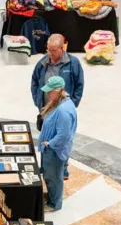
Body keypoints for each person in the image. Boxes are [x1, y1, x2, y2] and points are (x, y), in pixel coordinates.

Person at [38, 76, 78, 212]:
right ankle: (52, 198)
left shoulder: (63, 111)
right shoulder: (61, 103)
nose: (48, 94)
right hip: (53, 149)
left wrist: (50, 144)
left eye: (50, 92)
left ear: (59, 90)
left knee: (53, 177)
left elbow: (64, 135)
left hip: (55, 151)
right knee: (52, 175)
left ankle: (54, 204)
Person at [30, 34, 85, 128]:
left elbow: (79, 84)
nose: (50, 53)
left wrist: (72, 103)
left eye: (53, 51)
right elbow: (35, 81)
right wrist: (37, 100)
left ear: (62, 48)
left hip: (63, 110)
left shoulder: (73, 63)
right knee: (45, 134)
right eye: (48, 50)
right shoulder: (42, 62)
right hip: (45, 109)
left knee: (60, 134)